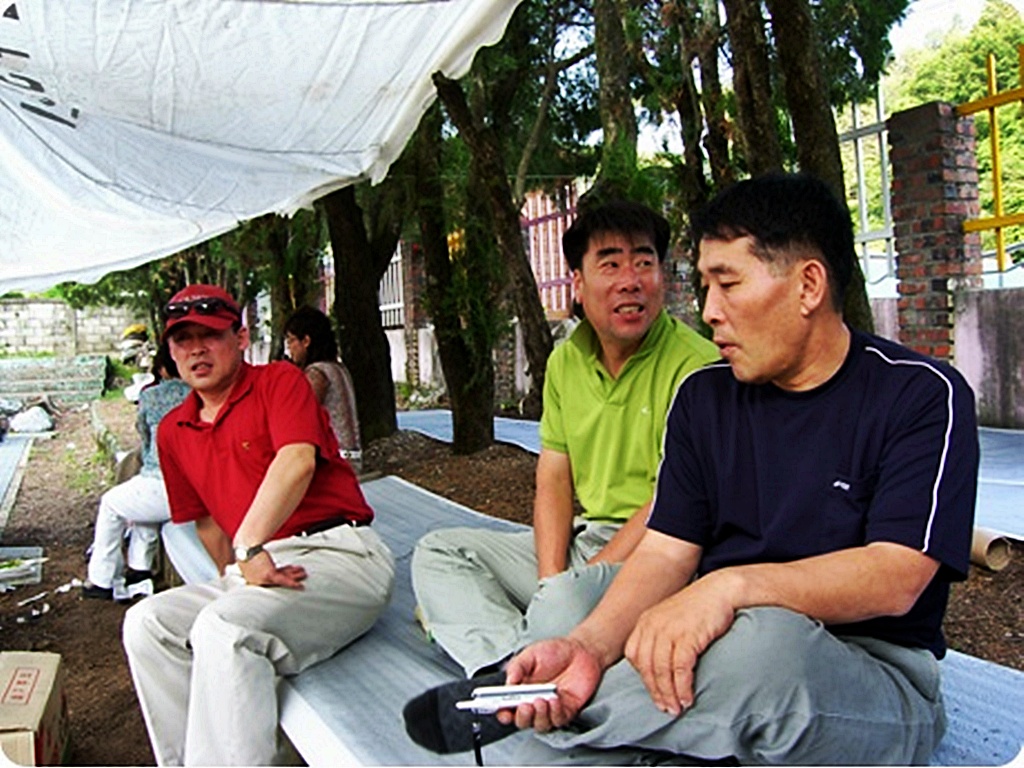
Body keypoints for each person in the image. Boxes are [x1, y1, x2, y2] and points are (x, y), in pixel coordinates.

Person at [421, 173, 979, 765]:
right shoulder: (705, 397)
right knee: (565, 605)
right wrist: (589, 646)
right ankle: (583, 695)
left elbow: (896, 577)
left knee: (762, 651)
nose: (710, 312)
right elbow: (666, 553)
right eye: (705, 286)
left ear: (808, 285)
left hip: (862, 670)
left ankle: (558, 716)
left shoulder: (920, 395)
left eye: (728, 284)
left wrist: (728, 588)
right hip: (727, 635)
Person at [410, 200, 720, 678]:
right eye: (610, 264)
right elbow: (553, 480)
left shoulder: (698, 368)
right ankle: (505, 663)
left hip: (659, 554)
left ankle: (531, 654)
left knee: (564, 607)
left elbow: (672, 503)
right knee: (439, 552)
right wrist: (551, 579)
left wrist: (579, 582)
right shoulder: (564, 362)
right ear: (577, 282)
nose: (630, 280)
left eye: (644, 262)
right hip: (586, 540)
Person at [121, 284, 395, 766]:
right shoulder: (174, 430)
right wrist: (238, 577)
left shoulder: (279, 381)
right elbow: (207, 523)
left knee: (224, 629)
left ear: (241, 337)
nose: (196, 350)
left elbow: (297, 461)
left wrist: (248, 547)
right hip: (261, 569)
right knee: (148, 624)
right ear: (170, 351)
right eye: (183, 339)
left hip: (339, 554)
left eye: (210, 335)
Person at [83, 341, 191, 600]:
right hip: (193, 484)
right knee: (141, 505)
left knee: (111, 504)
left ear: (162, 368)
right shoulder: (200, 395)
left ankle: (101, 579)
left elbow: (143, 435)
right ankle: (140, 569)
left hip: (163, 481)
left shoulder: (151, 395)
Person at [283, 306, 362, 474]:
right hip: (353, 455)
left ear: (306, 341)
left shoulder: (316, 373)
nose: (289, 349)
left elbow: (300, 414)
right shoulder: (339, 368)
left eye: (291, 341)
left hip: (334, 460)